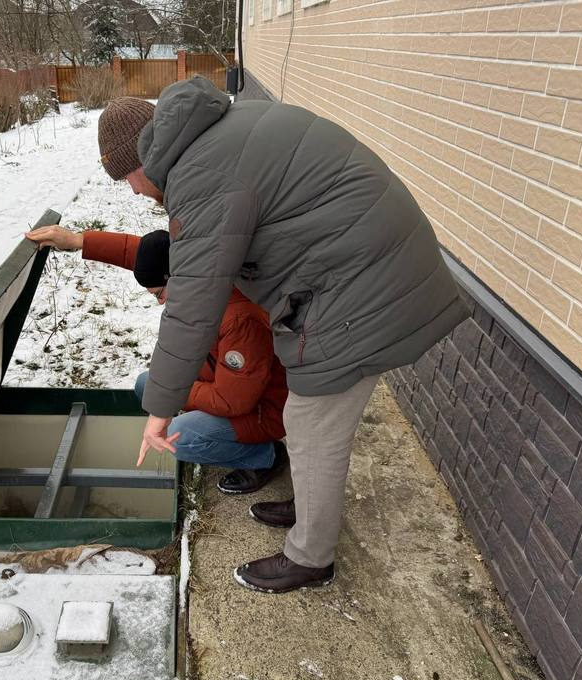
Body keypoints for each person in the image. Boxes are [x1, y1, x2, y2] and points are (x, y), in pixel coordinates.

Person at [94, 83, 469, 593]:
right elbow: (181, 260)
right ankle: (310, 503)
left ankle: (311, 557)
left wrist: (161, 406)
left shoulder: (202, 175)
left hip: (362, 287)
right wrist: (81, 242)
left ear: (141, 157)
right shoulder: (221, 133)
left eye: (125, 180)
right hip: (358, 267)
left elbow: (193, 302)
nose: (135, 192)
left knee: (314, 424)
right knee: (305, 418)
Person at [25, 224, 290, 494]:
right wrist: (78, 241)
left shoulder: (239, 319)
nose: (161, 303)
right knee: (146, 385)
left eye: (159, 294)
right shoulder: (199, 271)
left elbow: (231, 401)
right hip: (223, 380)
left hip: (263, 409)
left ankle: (265, 457)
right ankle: (208, 427)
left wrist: (174, 395)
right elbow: (146, 253)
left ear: (178, 279)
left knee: (182, 438)